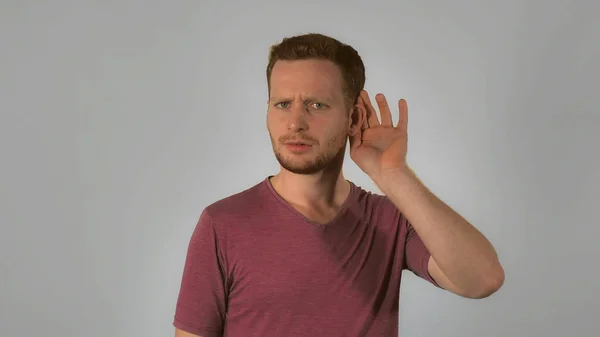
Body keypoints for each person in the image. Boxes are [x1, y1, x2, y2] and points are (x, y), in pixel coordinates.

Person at [172, 33, 504, 337]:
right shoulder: (223, 224)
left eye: (317, 105)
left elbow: (482, 279)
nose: (295, 123)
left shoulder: (389, 220)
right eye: (282, 104)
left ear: (353, 118)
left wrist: (393, 174)